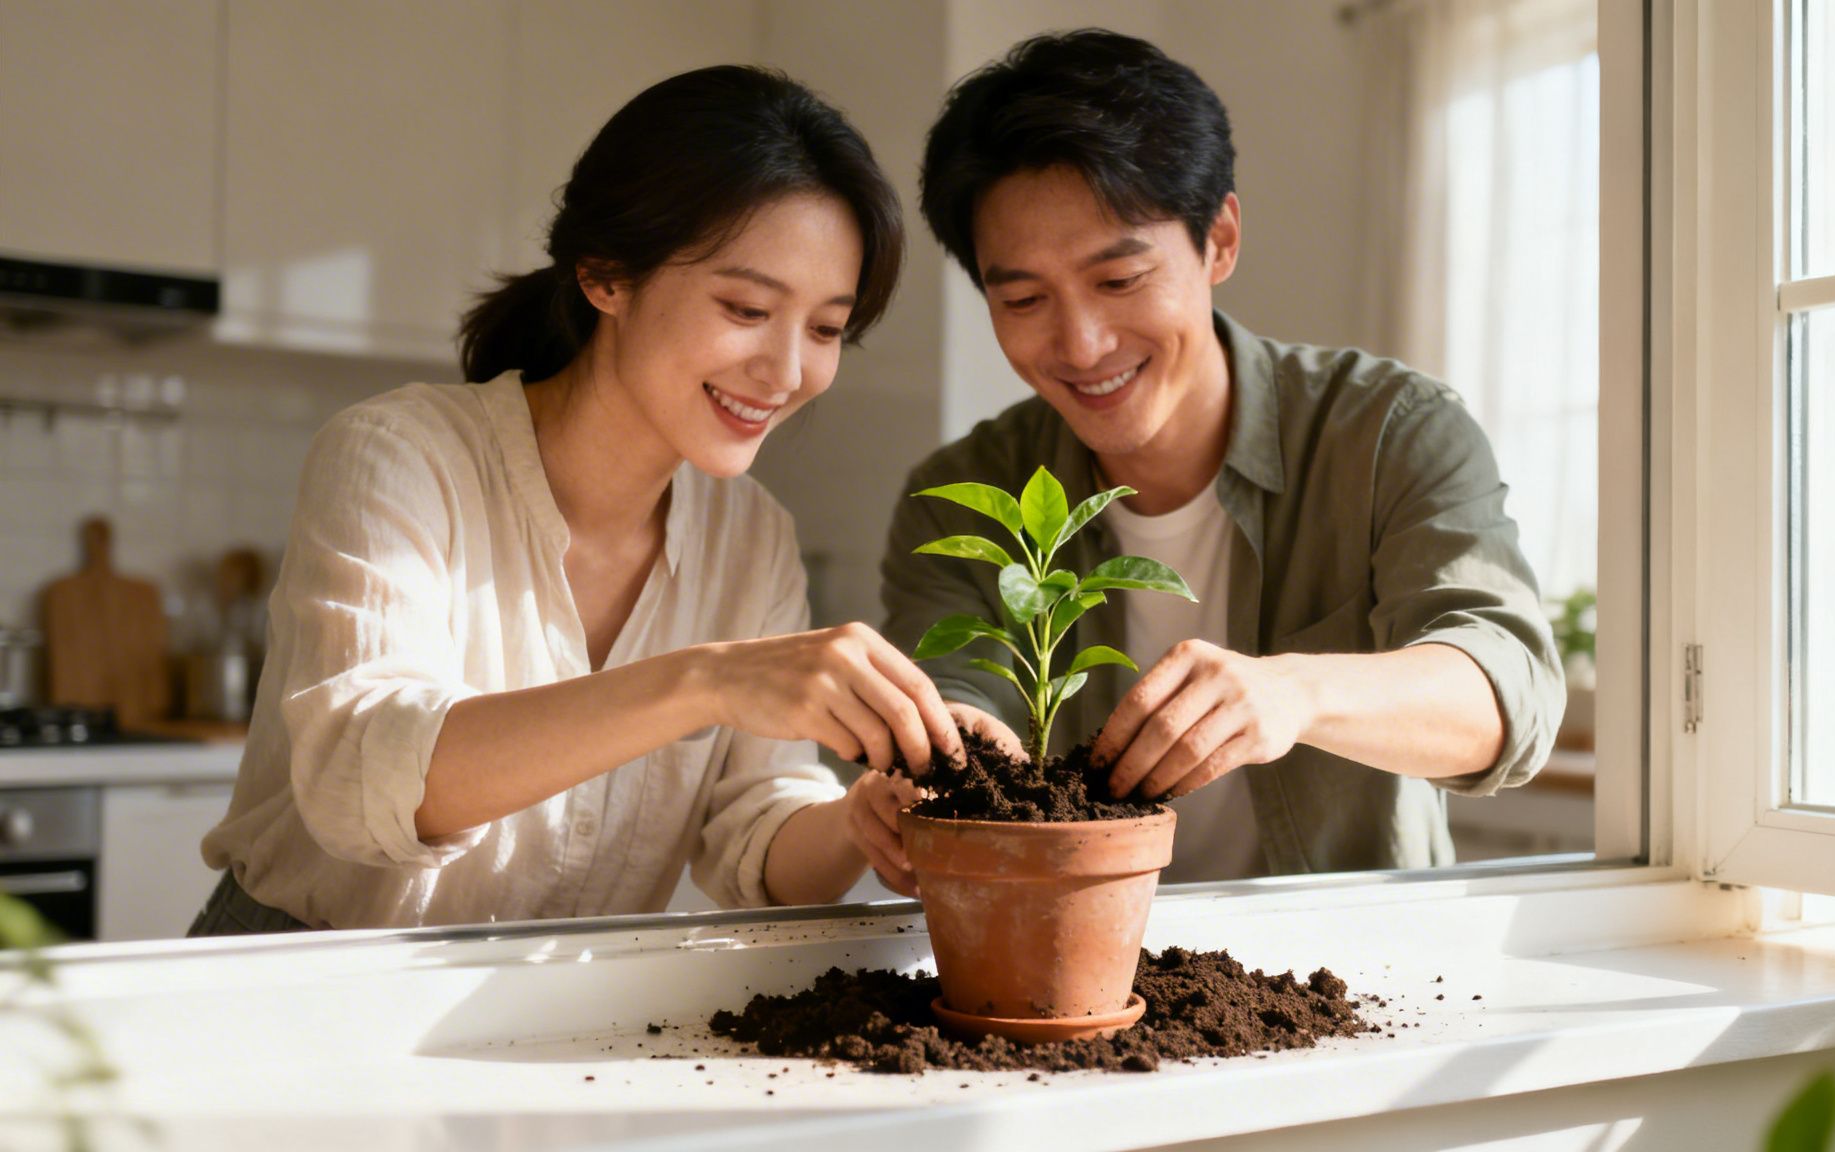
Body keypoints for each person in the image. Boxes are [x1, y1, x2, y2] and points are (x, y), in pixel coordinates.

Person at [193, 66, 947, 934]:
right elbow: (362, 777)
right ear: (605, 275)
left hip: (556, 1025)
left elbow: (755, 840)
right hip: (295, 987)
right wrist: (705, 682)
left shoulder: (751, 536)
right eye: (746, 308)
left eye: (824, 330)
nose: (785, 373)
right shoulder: (398, 457)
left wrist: (861, 816)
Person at [880, 30, 1564, 882]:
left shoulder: (1387, 433)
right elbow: (953, 697)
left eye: (1120, 280)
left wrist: (1295, 693)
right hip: (1066, 965)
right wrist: (945, 755)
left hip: (1351, 971)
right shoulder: (964, 497)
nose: (1082, 343)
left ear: (1220, 240)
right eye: (1022, 297)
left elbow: (1507, 695)